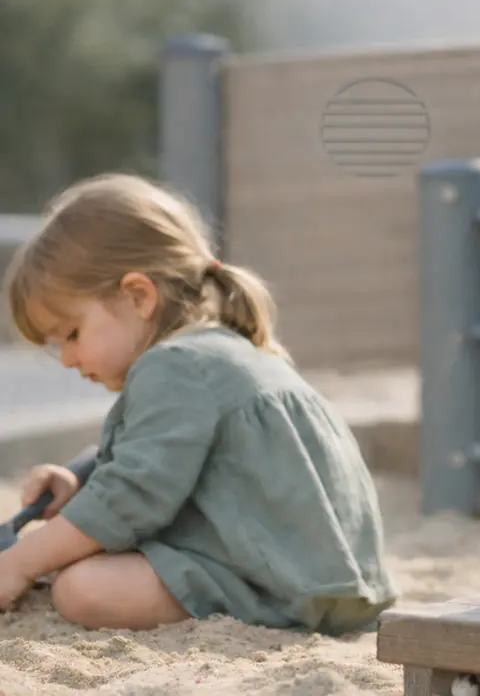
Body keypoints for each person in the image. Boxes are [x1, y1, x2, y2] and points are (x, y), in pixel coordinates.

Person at [1, 173, 398, 632]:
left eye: (72, 334)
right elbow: (164, 476)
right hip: (331, 581)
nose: (68, 359)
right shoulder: (216, 352)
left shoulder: (174, 366)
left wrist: (23, 560)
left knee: (82, 588)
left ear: (138, 296)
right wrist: (78, 486)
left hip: (281, 587)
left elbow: (133, 496)